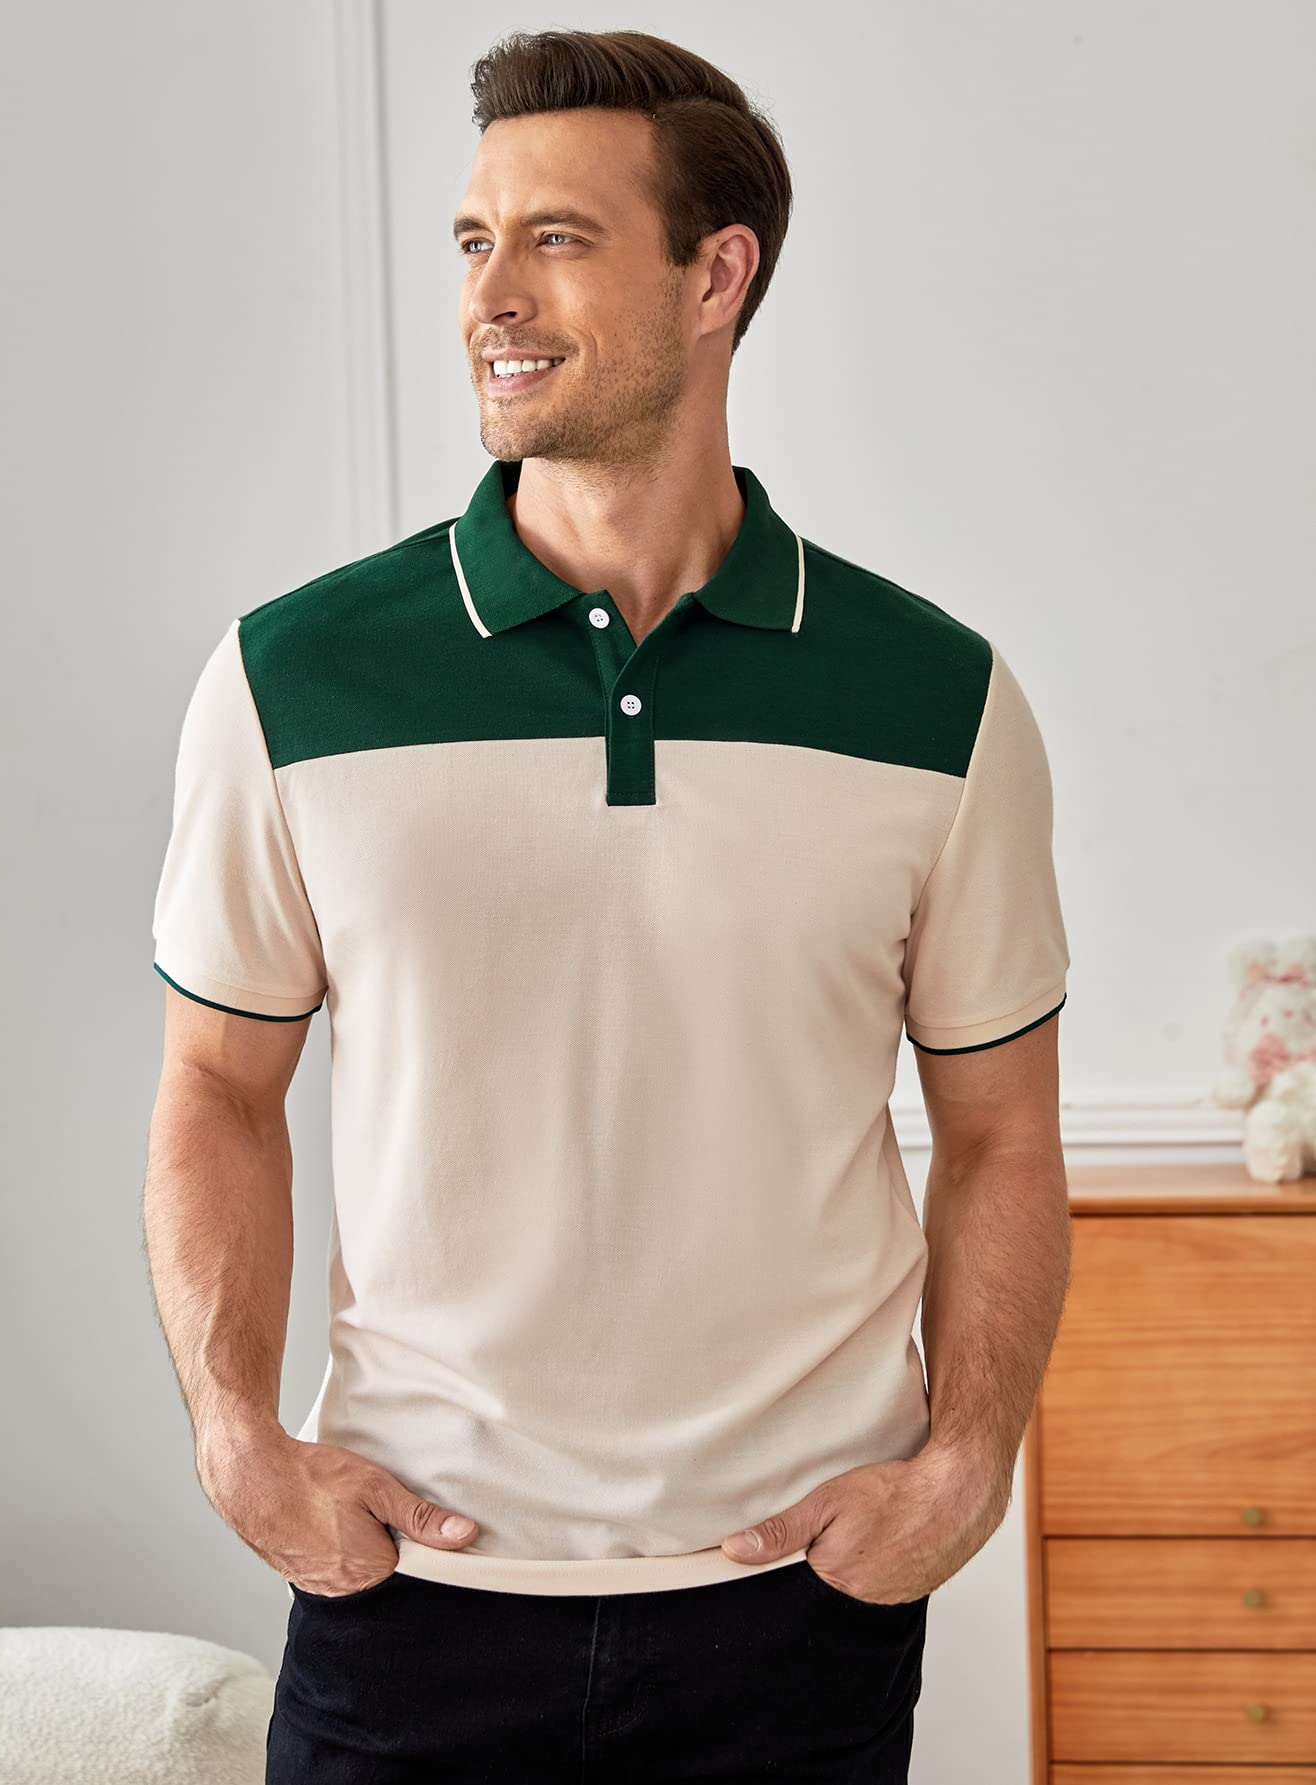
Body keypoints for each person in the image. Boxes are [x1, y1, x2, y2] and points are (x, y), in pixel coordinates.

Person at [143, 26, 1071, 1783]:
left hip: (795, 1610)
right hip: (407, 1593)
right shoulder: (292, 677)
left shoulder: (938, 698)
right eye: (473, 241)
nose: (490, 295)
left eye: (556, 238)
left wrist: (966, 1465)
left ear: (717, 277)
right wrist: (235, 1435)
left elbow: (1003, 1131)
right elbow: (217, 1086)